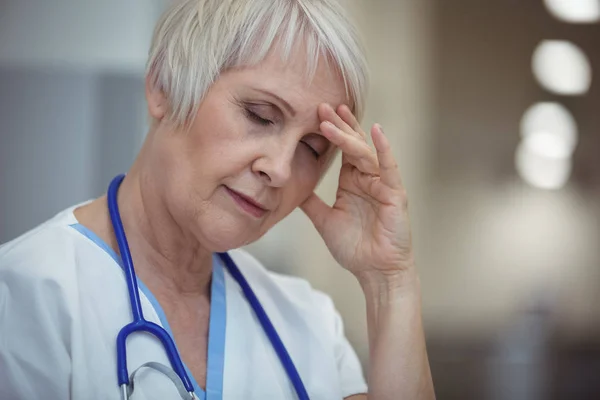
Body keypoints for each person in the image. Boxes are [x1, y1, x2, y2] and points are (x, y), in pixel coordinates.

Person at [0, 0, 435, 399]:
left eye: (312, 148)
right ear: (163, 87)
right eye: (260, 116)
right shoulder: (26, 297)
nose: (280, 169)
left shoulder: (307, 323)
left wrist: (389, 283)